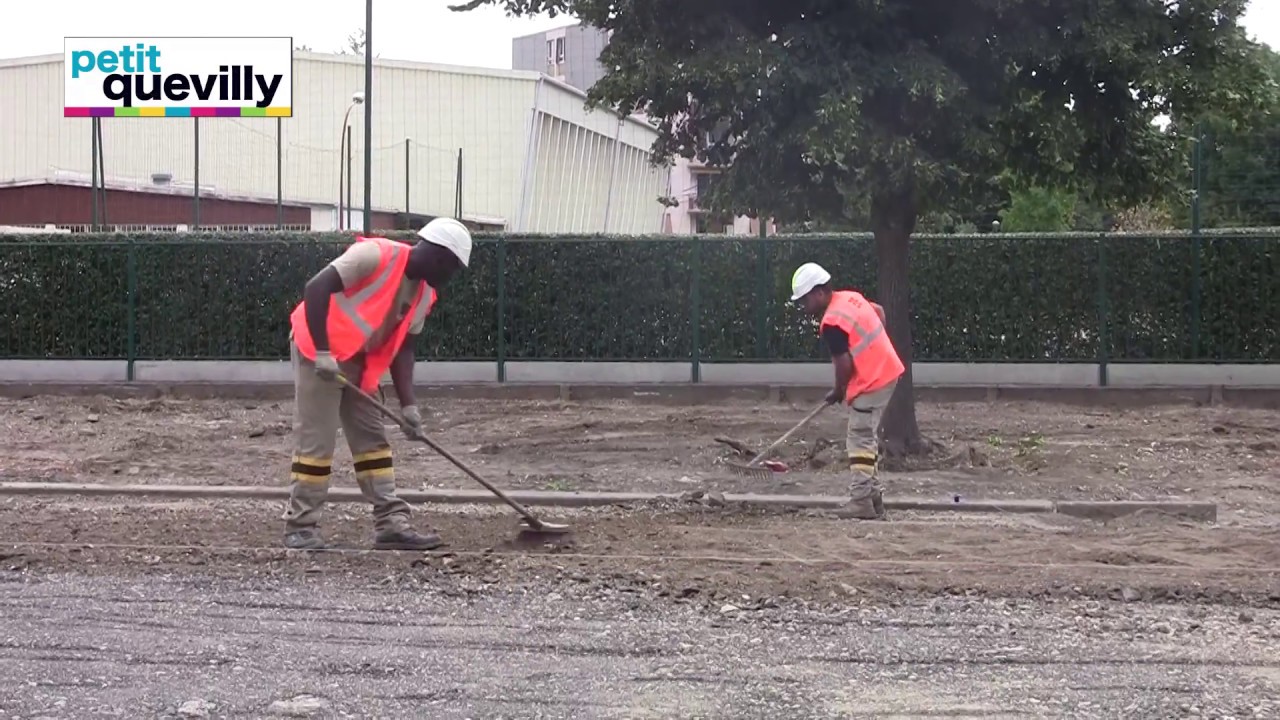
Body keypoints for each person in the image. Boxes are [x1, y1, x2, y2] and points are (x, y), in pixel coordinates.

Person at [282, 217, 473, 550]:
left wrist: (409, 406)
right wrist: (325, 353)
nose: (451, 277)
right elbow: (316, 288)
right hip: (318, 350)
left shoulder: (424, 295)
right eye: (453, 268)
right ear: (439, 255)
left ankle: (391, 524)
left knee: (373, 440)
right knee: (318, 441)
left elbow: (404, 350)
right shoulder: (374, 255)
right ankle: (300, 526)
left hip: (359, 360)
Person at [790, 262, 905, 520]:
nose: (803, 307)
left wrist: (838, 390)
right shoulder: (850, 298)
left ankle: (861, 500)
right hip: (887, 372)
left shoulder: (832, 323)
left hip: (872, 380)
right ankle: (874, 498)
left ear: (819, 293)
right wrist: (876, 348)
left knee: (859, 438)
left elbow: (844, 364)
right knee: (866, 438)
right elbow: (879, 312)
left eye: (804, 300)